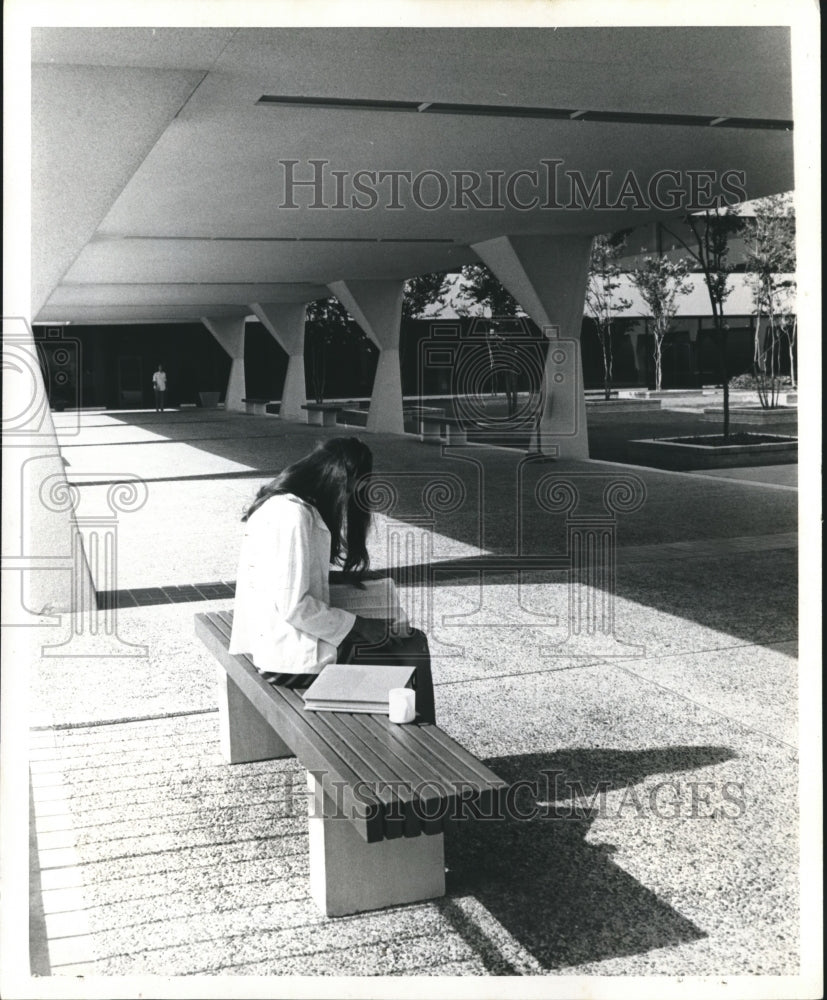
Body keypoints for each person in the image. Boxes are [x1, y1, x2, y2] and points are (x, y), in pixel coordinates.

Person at [229, 437, 436, 723]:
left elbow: (293, 582)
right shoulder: (293, 516)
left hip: (279, 640)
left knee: (405, 641)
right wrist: (361, 626)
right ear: (339, 479)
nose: (351, 498)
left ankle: (416, 730)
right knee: (412, 648)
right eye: (353, 488)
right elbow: (295, 606)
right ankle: (421, 739)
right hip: (292, 657)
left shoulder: (284, 505)